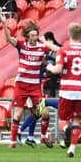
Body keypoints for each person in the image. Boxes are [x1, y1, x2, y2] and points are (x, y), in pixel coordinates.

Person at [0, 12, 59, 148]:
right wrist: (4, 24)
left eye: (36, 35)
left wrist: (46, 43)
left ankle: (43, 137)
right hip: (21, 85)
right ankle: (13, 141)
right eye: (32, 35)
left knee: (44, 113)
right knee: (18, 113)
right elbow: (9, 39)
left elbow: (57, 50)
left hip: (35, 87)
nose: (34, 38)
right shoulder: (22, 45)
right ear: (27, 36)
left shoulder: (41, 47)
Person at [46, 22, 81, 158]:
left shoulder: (64, 50)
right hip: (80, 90)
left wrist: (49, 66)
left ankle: (66, 129)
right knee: (78, 120)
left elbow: (57, 69)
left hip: (67, 90)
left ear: (69, 34)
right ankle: (71, 149)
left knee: (63, 119)